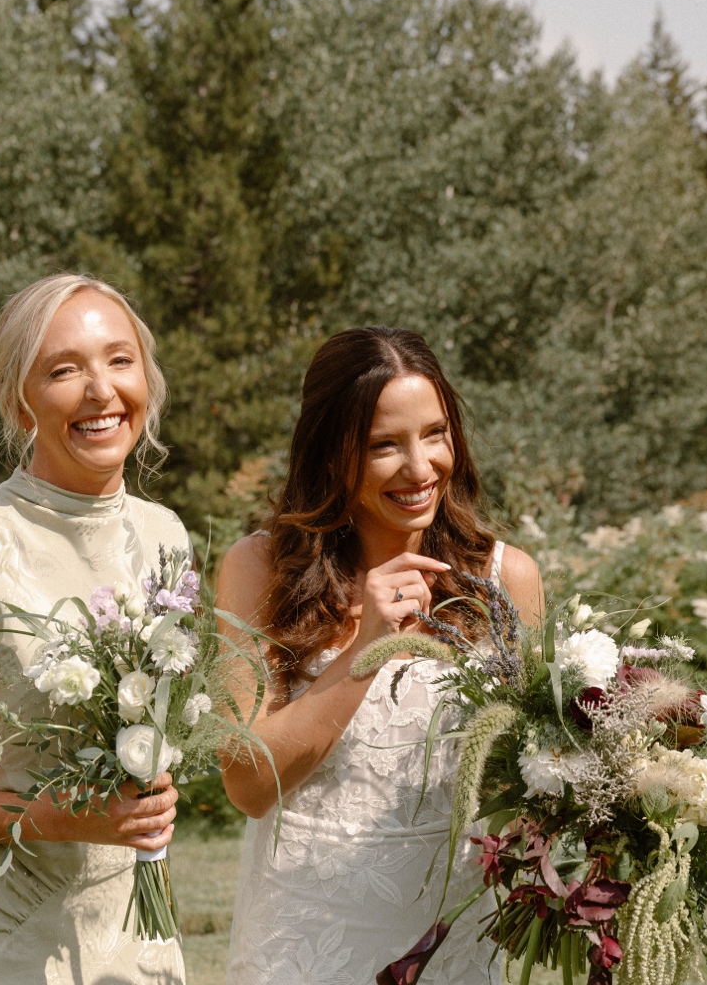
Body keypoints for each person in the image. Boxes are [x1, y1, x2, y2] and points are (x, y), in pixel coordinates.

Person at [0, 274, 188, 985]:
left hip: (138, 931)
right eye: (63, 370)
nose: (100, 390)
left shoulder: (166, 536)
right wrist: (55, 816)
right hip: (4, 943)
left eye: (119, 360)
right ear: (20, 401)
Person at [218, 326, 544, 984]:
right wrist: (365, 648)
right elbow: (247, 784)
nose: (421, 468)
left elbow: (538, 777)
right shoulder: (258, 570)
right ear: (331, 452)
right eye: (383, 446)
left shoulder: (508, 579)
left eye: (435, 433)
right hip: (306, 938)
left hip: (454, 938)